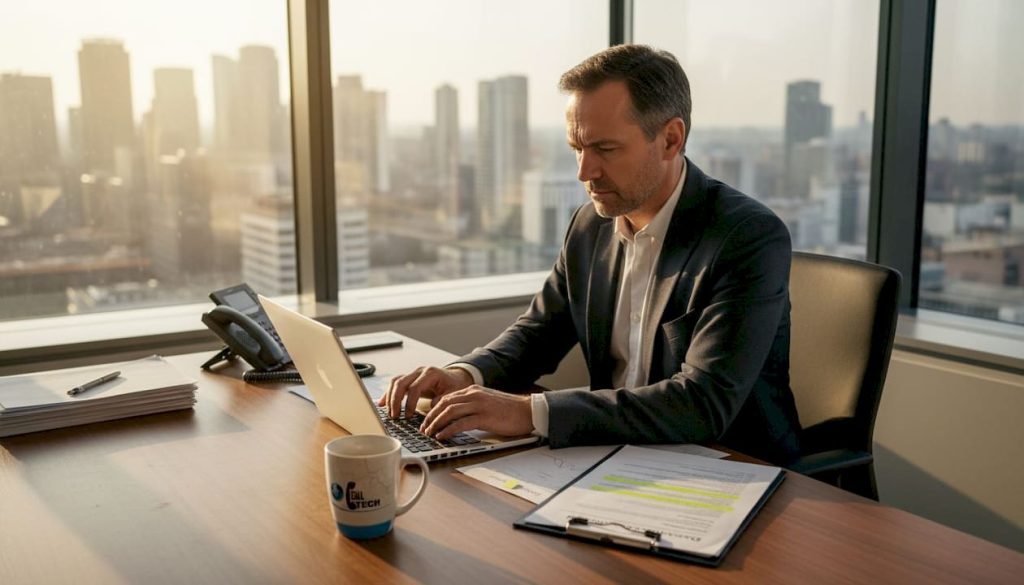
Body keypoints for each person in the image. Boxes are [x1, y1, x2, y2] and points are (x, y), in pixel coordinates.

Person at [379, 44, 801, 465]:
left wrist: (528, 412)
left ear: (670, 139)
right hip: (613, 457)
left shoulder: (746, 237)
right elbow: (539, 331)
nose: (585, 172)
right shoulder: (590, 225)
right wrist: (464, 374)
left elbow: (701, 404)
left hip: (731, 467)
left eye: (605, 149)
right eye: (577, 148)